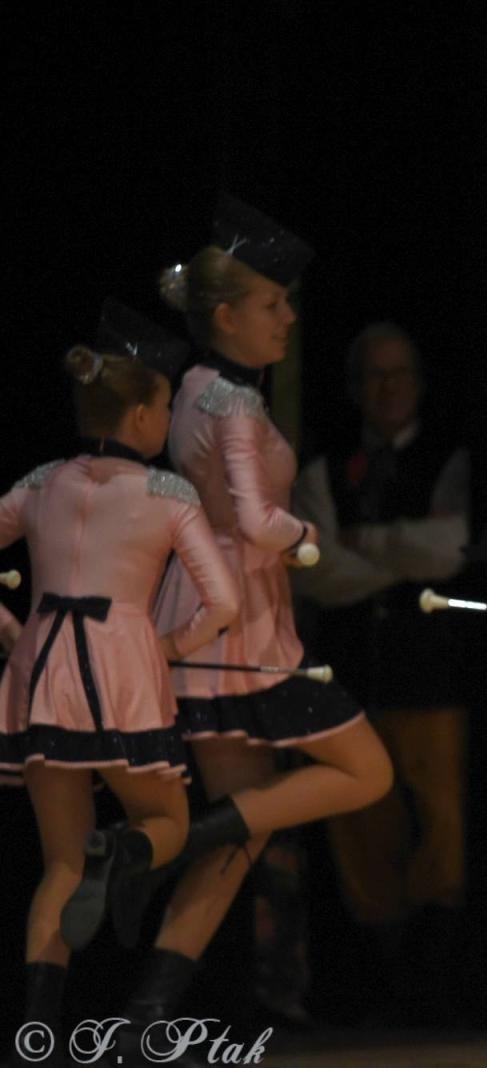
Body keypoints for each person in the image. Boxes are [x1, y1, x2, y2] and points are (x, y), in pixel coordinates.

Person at [115, 195, 393, 1047]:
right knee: (366, 772)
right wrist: (313, 540)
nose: (289, 317)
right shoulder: (232, 403)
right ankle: (162, 848)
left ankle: (144, 1017)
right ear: (228, 315)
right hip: (242, 629)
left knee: (240, 840)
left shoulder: (195, 386)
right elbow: (256, 521)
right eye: (273, 305)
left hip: (202, 612)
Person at [0, 305, 238, 1048]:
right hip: (122, 670)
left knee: (59, 864)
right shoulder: (167, 495)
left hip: (41, 673)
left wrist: (14, 633)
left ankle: (35, 1036)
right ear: (140, 413)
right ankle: (127, 852)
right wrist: (171, 645)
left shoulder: (41, 483)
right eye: (165, 408)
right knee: (165, 820)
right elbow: (223, 601)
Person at [290, 321, 470, 1019]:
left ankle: (436, 980)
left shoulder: (450, 458)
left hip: (431, 674)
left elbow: (449, 549)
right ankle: (377, 982)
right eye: (374, 375)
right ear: (356, 387)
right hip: (351, 676)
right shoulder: (323, 468)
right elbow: (312, 570)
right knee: (361, 825)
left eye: (399, 373)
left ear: (419, 383)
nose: (387, 388)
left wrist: (362, 543)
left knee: (439, 818)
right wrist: (392, 559)